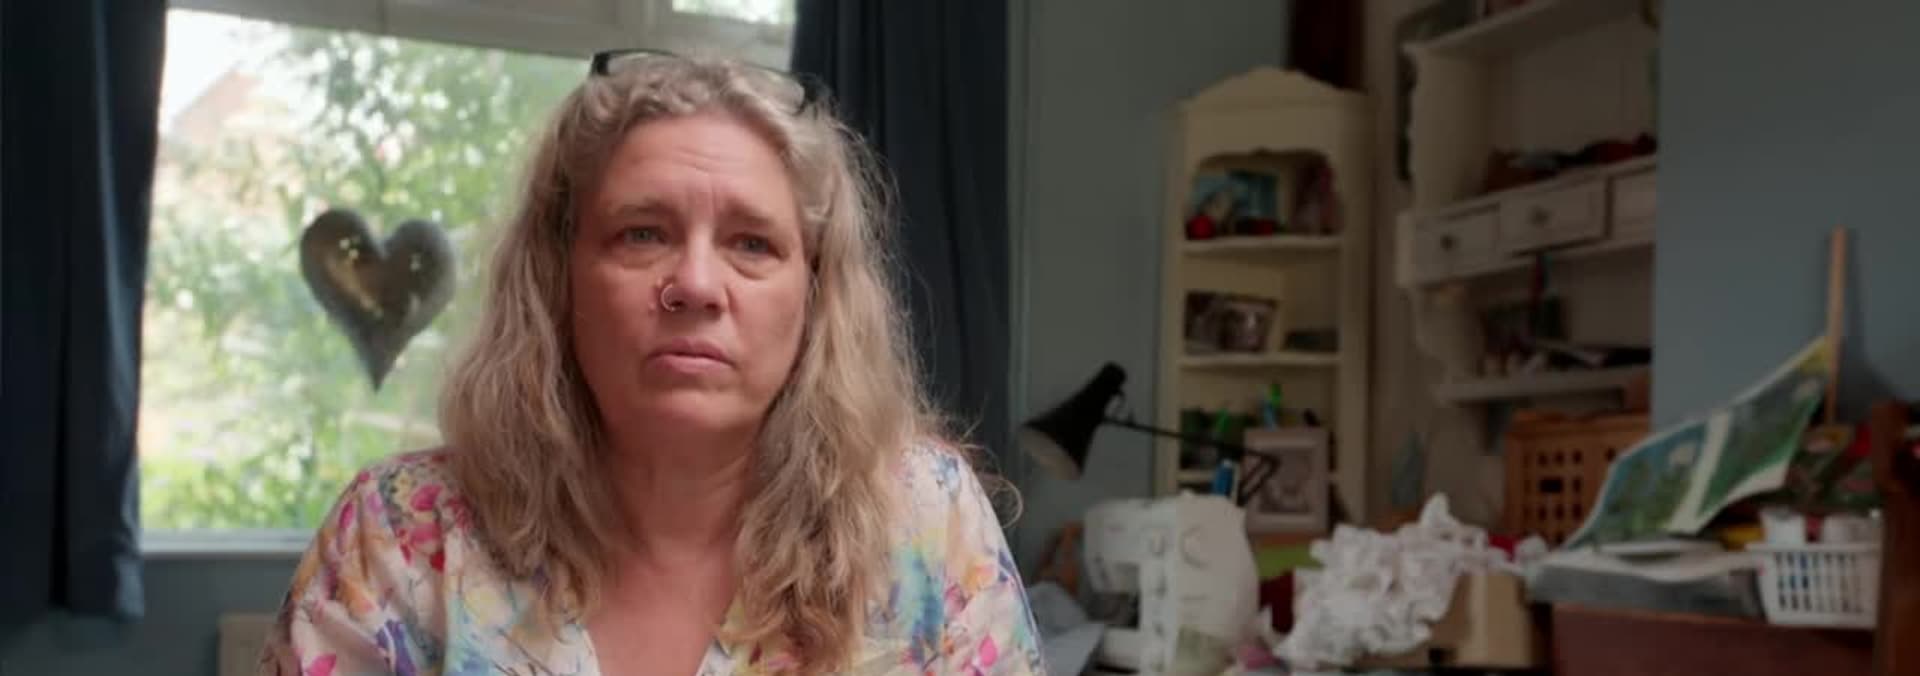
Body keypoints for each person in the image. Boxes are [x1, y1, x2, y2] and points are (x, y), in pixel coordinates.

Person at [260, 51, 1044, 676]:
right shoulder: (398, 533)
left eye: (752, 243)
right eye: (642, 233)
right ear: (558, 279)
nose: (696, 285)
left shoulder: (926, 519)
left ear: (814, 296)